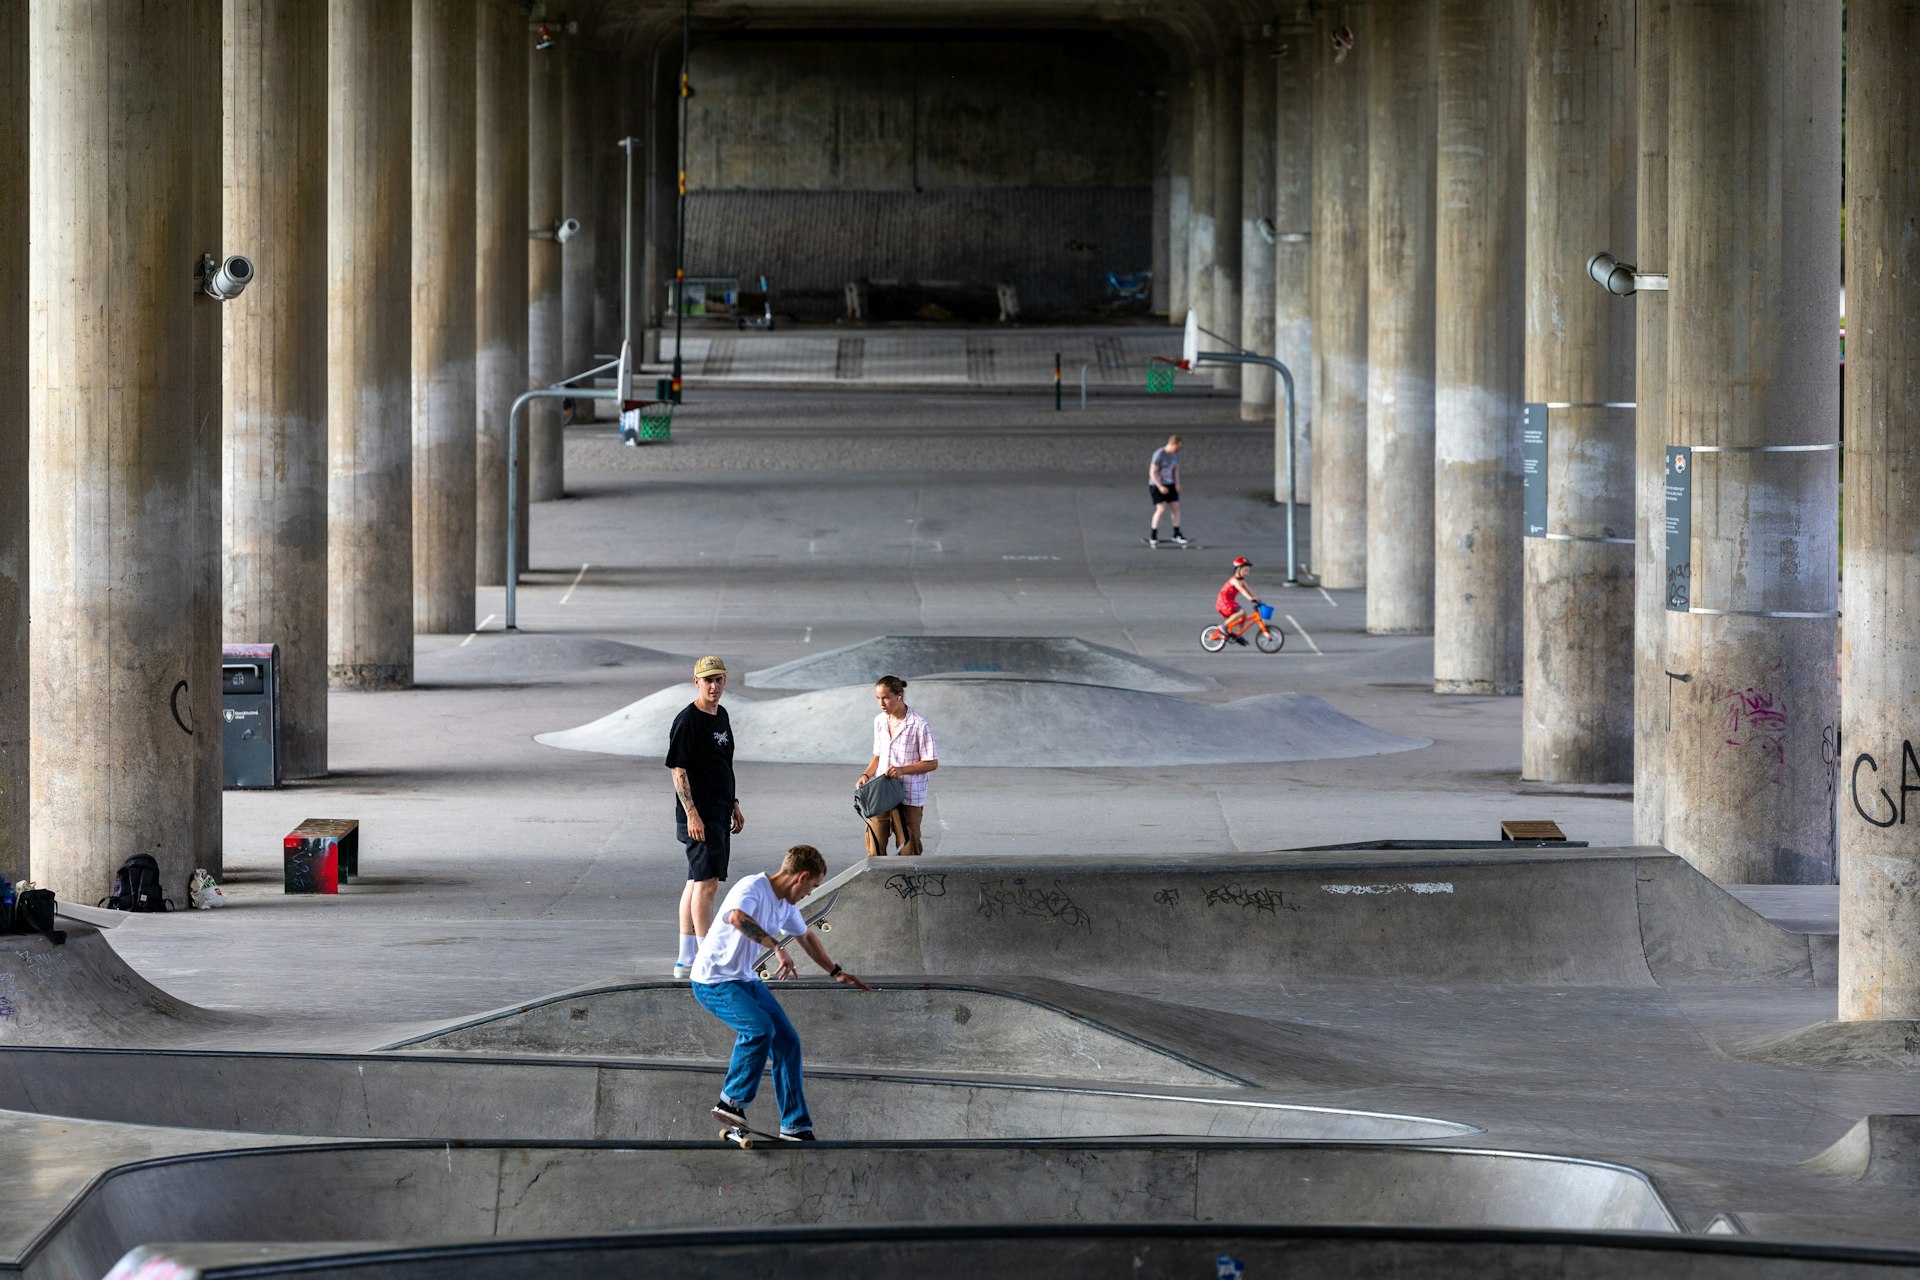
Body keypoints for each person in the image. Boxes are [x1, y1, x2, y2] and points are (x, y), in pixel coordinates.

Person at [695, 844, 870, 1142]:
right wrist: (776, 947)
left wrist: (836, 971)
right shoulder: (752, 887)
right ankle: (730, 1101)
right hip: (713, 981)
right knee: (759, 1029)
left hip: (745, 980)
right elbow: (737, 918)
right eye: (812, 886)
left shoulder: (786, 906)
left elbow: (806, 937)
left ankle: (795, 1126)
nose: (811, 893)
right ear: (801, 877)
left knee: (788, 1041)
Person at [667, 655, 745, 979]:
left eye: (718, 680)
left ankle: (685, 959)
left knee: (694, 882)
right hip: (700, 817)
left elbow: (722, 765)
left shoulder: (721, 715)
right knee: (708, 885)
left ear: (725, 680)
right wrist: (692, 816)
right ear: (695, 681)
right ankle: (707, 958)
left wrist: (734, 803)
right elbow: (678, 770)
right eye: (707, 680)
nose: (713, 686)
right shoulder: (689, 721)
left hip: (719, 810)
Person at [856, 675, 939, 857]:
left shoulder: (919, 725)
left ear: (899, 695)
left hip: (909, 793)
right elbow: (878, 755)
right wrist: (866, 775)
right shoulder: (880, 721)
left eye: (886, 697)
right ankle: (877, 881)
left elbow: (932, 762)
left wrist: (902, 770)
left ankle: (907, 883)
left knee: (909, 846)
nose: (881, 703)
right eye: (878, 698)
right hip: (882, 790)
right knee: (875, 841)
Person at [1146, 434, 1187, 546]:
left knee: (1176, 507)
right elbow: (1152, 472)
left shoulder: (1176, 455)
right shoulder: (1159, 454)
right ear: (1172, 444)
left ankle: (1176, 533)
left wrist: (1177, 484)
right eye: (1177, 447)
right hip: (1156, 485)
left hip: (1170, 484)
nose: (1178, 450)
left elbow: (1176, 470)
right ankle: (1153, 535)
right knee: (1161, 508)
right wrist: (1160, 486)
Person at [1216, 556, 1261, 646]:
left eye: (1248, 571)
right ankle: (1223, 626)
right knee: (1241, 612)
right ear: (1238, 570)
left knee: (1243, 615)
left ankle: (1239, 634)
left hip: (1230, 602)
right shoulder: (1234, 580)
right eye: (1245, 570)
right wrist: (1250, 598)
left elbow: (1249, 590)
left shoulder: (1242, 581)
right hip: (1223, 602)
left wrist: (1257, 598)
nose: (1247, 573)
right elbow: (1242, 590)